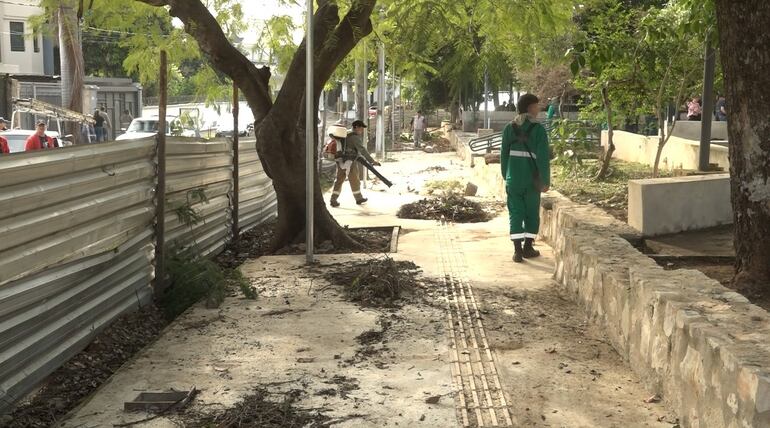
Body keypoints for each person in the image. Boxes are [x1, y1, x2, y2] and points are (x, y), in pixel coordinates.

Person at [500, 93, 550, 263]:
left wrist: (506, 175)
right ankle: (528, 247)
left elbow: (503, 155)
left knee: (515, 213)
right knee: (531, 214)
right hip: (531, 181)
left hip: (513, 179)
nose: (539, 109)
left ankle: (517, 251)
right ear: (529, 108)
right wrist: (545, 181)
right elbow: (543, 158)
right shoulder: (539, 130)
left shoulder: (509, 128)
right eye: (536, 106)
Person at [330, 119, 380, 207]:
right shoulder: (354, 137)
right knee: (355, 180)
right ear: (356, 127)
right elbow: (362, 150)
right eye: (361, 128)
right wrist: (372, 161)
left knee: (339, 180)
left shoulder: (345, 134)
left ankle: (333, 199)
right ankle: (358, 198)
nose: (362, 130)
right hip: (350, 162)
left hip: (340, 160)